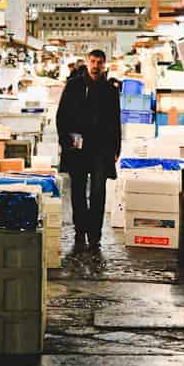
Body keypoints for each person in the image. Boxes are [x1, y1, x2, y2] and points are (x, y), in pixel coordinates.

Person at [56, 49, 121, 254]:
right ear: (87, 62)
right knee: (78, 191)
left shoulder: (110, 89)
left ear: (104, 64)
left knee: (98, 192)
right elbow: (61, 115)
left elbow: (116, 121)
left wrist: (116, 148)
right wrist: (65, 141)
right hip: (77, 148)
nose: (96, 65)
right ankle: (80, 231)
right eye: (93, 61)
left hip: (101, 148)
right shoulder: (74, 85)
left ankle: (95, 235)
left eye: (99, 62)